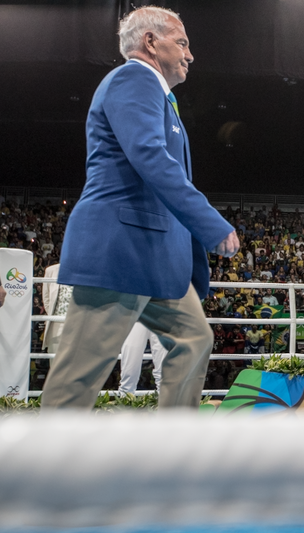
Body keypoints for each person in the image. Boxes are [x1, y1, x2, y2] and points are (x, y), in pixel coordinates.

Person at [42, 7, 238, 410]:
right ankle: (43, 465)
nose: (190, 54)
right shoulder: (135, 78)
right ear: (151, 42)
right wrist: (209, 222)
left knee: (194, 338)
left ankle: (172, 448)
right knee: (78, 374)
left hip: (152, 256)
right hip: (120, 251)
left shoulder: (158, 95)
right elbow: (149, 156)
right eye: (181, 42)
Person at [119, 322, 167, 394]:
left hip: (163, 316)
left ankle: (164, 403)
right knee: (129, 371)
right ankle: (125, 401)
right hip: (136, 316)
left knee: (164, 373)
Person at [41, 263, 72, 354]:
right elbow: (46, 299)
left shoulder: (85, 270)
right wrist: (54, 316)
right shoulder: (51, 270)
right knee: (55, 359)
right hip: (57, 322)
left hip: (78, 321)